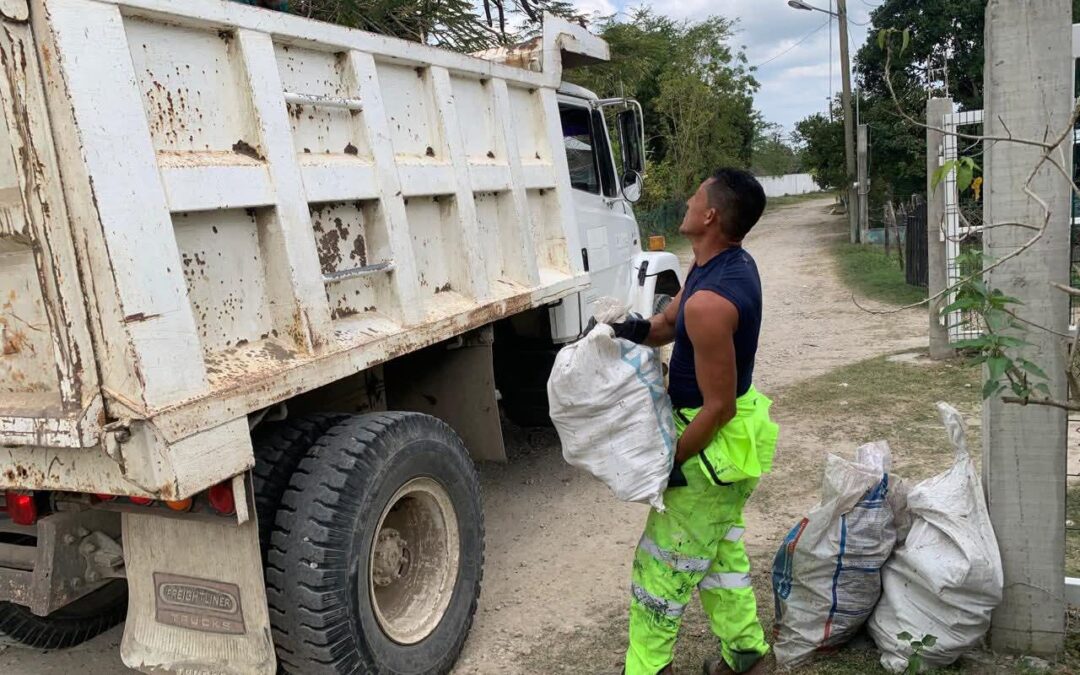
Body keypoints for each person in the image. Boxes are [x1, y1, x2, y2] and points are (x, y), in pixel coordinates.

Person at [611, 168, 778, 675]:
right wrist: (617, 330)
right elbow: (664, 325)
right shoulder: (713, 267)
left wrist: (671, 459)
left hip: (711, 446)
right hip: (726, 437)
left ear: (709, 216)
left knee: (661, 571)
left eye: (696, 194)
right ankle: (748, 656)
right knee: (717, 556)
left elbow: (719, 406)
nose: (686, 198)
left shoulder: (711, 301)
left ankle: (645, 669)